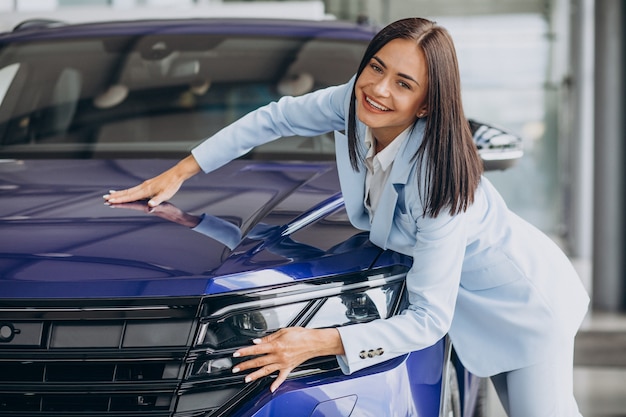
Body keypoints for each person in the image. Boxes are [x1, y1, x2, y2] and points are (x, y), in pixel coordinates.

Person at [104, 17, 589, 417]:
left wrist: (315, 341)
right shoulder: (353, 103)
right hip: (468, 299)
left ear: (425, 106)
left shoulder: (435, 183)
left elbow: (428, 319)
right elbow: (273, 118)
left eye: (404, 83)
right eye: (375, 68)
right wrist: (181, 172)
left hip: (522, 304)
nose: (378, 89)